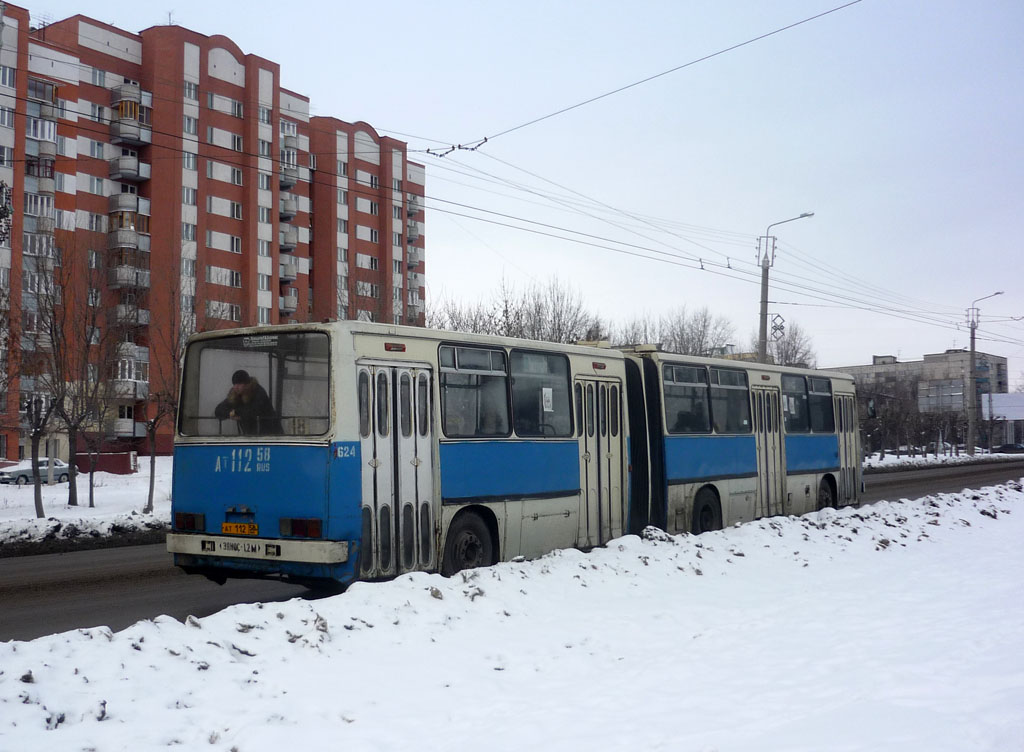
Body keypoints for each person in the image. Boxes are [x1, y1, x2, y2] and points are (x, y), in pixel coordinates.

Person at [214, 369, 281, 434]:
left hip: (272, 435)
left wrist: (236, 412)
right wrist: (230, 414)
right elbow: (218, 410)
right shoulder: (235, 396)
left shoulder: (258, 392)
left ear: (247, 384)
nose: (236, 387)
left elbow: (253, 411)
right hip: (251, 436)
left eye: (239, 384)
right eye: (234, 384)